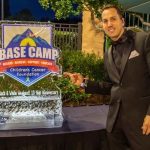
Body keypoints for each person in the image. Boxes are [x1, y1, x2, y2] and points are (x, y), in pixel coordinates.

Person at [64, 4, 150, 150]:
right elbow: (112, 86)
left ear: (122, 21)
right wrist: (84, 83)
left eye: (113, 19)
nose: (109, 24)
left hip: (142, 122)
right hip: (115, 124)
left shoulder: (143, 40)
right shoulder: (108, 53)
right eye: (105, 21)